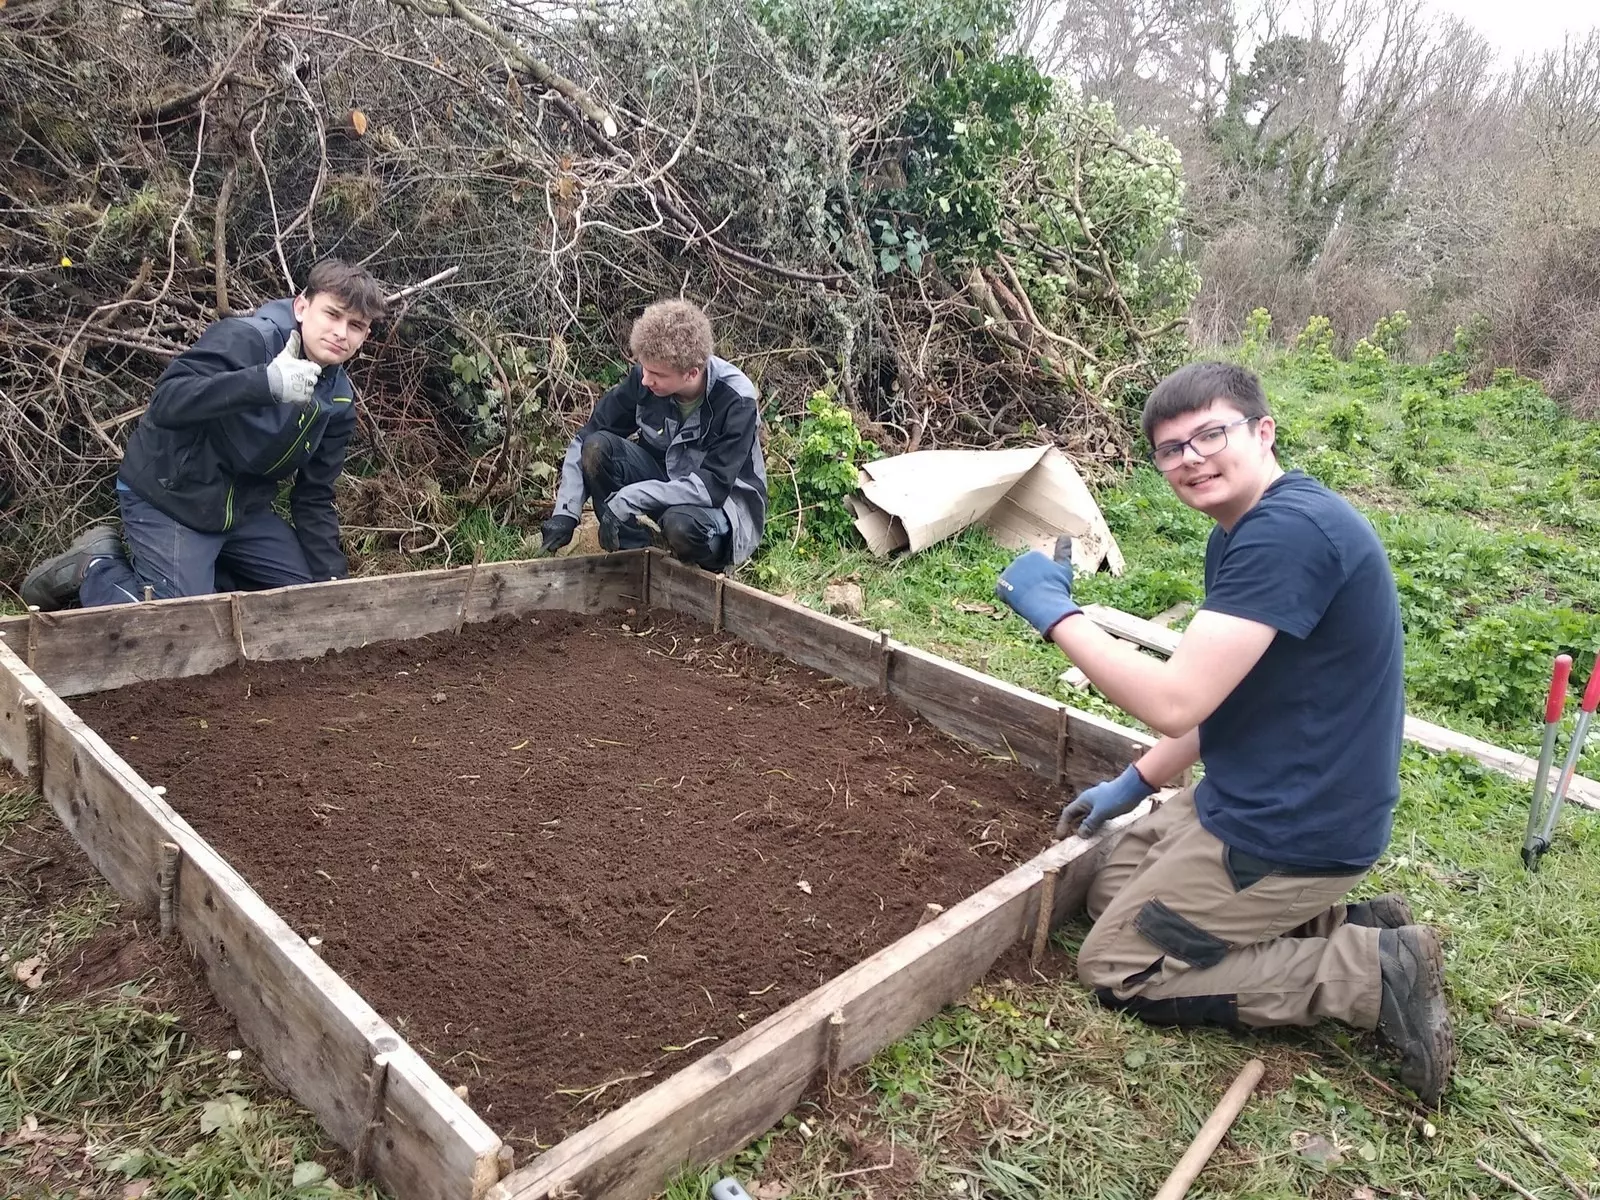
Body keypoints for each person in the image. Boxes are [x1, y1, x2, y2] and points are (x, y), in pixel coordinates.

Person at [994, 361, 1454, 1106]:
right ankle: (1336, 921)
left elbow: (1177, 701)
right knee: (1112, 885)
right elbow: (1221, 696)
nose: (1191, 459)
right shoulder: (1244, 533)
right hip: (1252, 798)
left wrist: (1054, 613)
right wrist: (1136, 782)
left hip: (1291, 828)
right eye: (1171, 450)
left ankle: (1372, 972)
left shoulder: (1287, 536)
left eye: (1211, 434)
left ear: (1263, 432)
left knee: (1119, 964)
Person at [21, 261, 385, 610]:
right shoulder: (247, 339)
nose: (341, 332)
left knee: (306, 601)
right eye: (332, 314)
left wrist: (334, 585)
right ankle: (95, 566)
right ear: (302, 307)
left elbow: (314, 496)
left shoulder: (337, 399)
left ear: (365, 336)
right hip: (172, 498)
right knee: (178, 623)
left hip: (240, 514)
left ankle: (203, 578)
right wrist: (264, 383)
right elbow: (166, 401)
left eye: (355, 325)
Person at [538, 300, 766, 572]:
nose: (646, 380)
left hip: (720, 507)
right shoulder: (645, 380)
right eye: (644, 368)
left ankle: (702, 576)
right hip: (662, 484)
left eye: (657, 374)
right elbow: (586, 438)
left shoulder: (736, 399)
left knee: (680, 525)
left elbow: (711, 488)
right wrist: (566, 512)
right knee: (596, 448)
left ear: (692, 372)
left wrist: (628, 498)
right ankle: (635, 558)